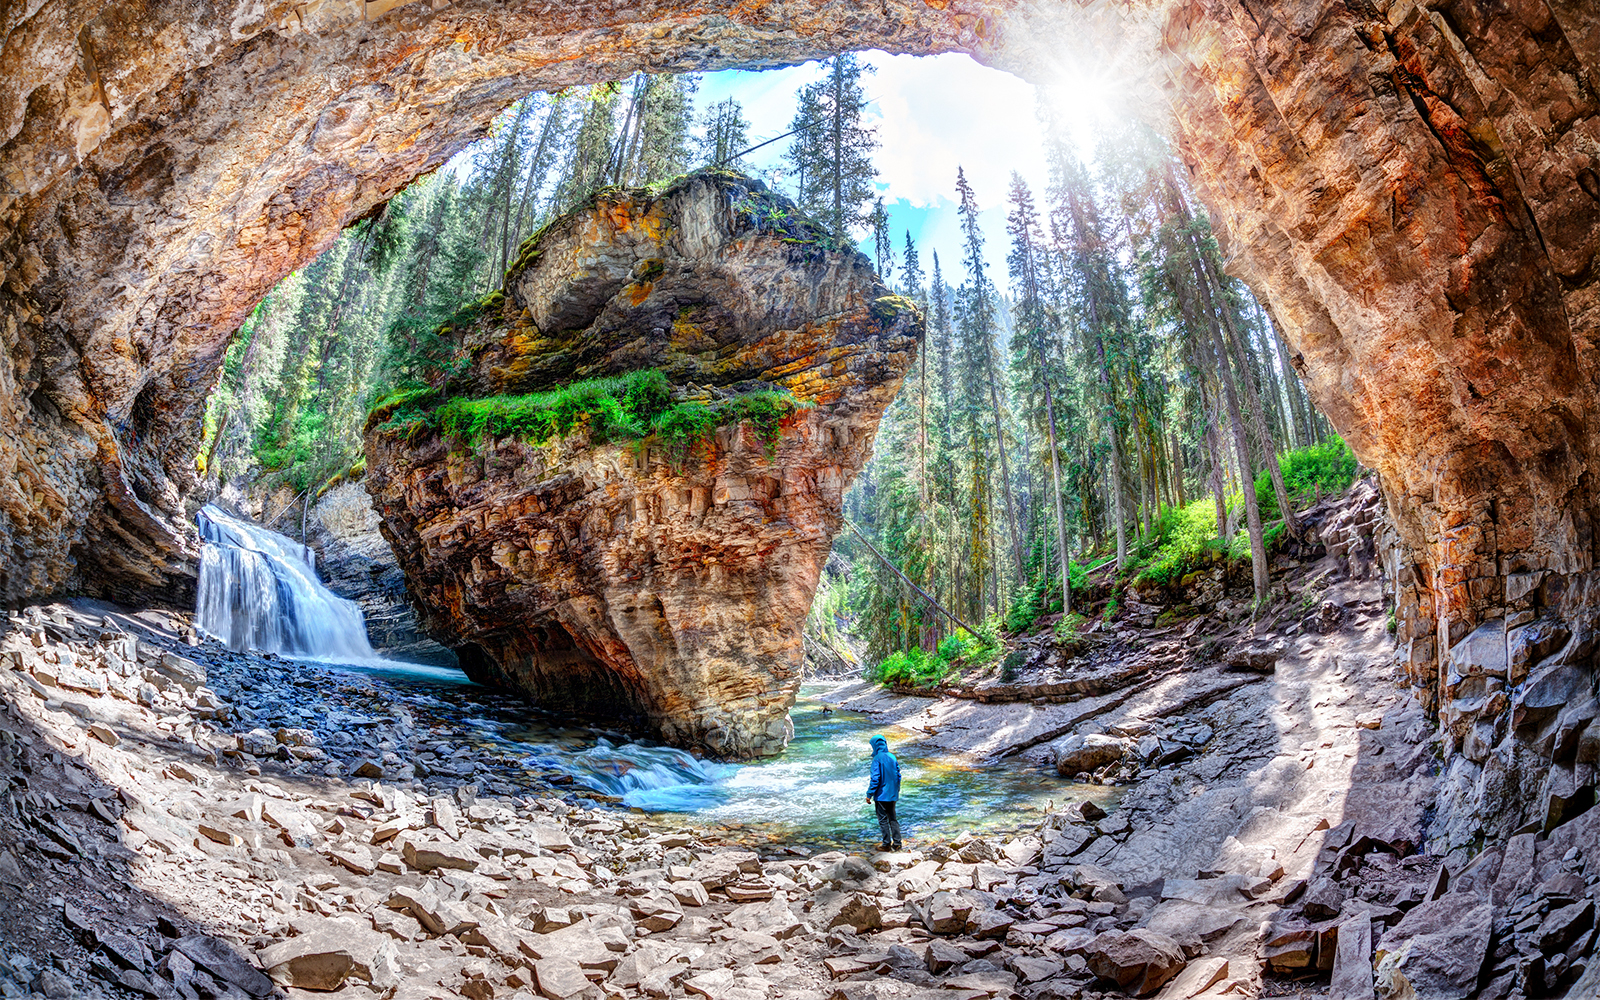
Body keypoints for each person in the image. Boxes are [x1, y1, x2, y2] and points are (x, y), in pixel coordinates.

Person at [865, 735, 902, 851]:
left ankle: (886, 844)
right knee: (893, 818)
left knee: (882, 820)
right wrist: (896, 790)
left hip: (881, 795)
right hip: (892, 794)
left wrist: (869, 794)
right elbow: (898, 776)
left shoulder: (877, 758)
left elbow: (875, 778)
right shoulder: (892, 757)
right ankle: (897, 843)